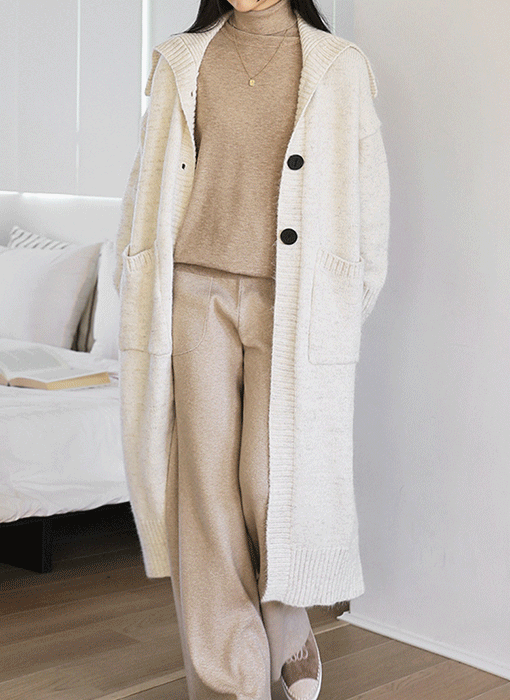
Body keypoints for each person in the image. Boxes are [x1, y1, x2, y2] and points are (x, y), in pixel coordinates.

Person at [113, 0, 390, 698]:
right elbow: (145, 184)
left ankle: (287, 626)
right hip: (193, 294)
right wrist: (133, 274)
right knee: (205, 488)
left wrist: (339, 309)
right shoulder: (183, 59)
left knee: (269, 482)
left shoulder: (338, 66)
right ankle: (232, 678)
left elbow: (369, 204)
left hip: (292, 304)